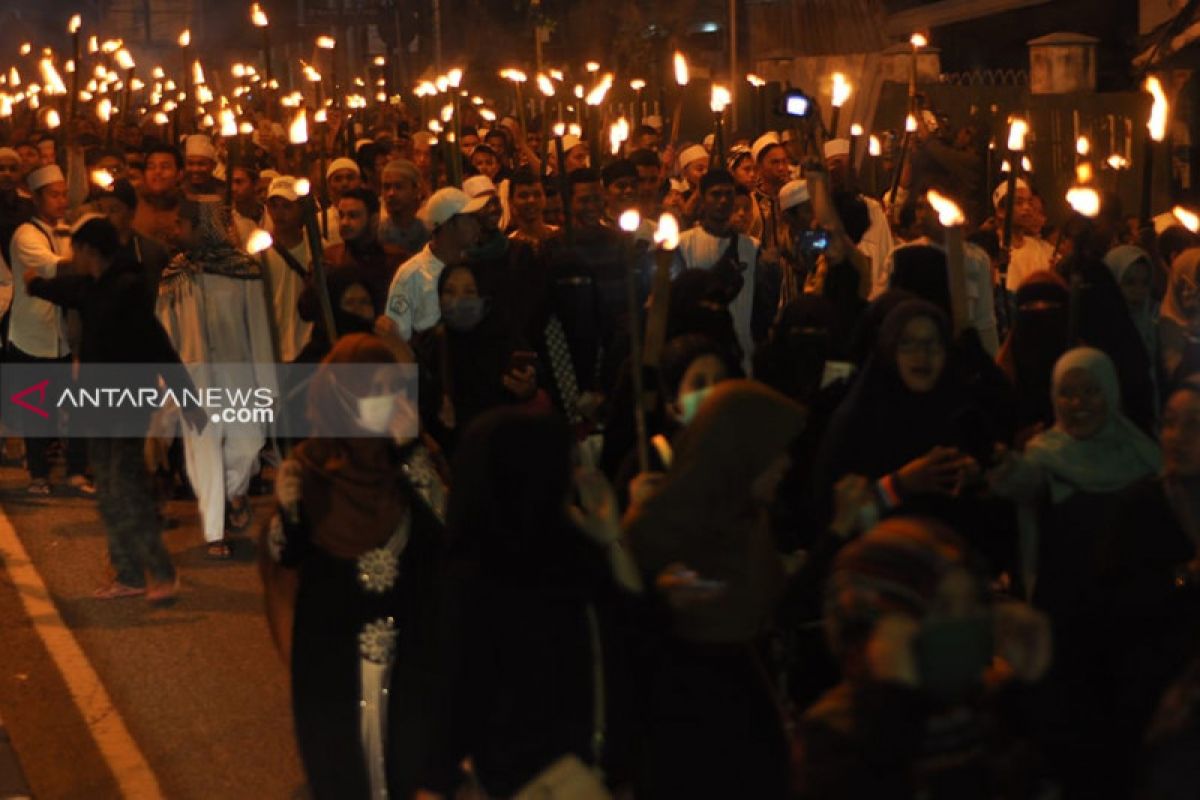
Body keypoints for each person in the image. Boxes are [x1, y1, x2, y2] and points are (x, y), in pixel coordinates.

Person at [420, 409, 639, 797]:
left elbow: (454, 695)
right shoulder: (577, 556)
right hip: (590, 775)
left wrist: (436, 780)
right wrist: (613, 539)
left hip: (516, 780)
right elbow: (632, 641)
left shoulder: (473, 573)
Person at [268, 333, 444, 800]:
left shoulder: (413, 456)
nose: (385, 400)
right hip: (331, 654)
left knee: (409, 766)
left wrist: (412, 456)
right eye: (371, 389)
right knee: (341, 770)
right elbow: (286, 560)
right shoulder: (310, 466)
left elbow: (451, 534)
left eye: (392, 387)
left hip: (410, 653)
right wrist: (288, 513)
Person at [624, 380, 804, 798]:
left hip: (749, 721)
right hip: (689, 739)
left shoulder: (748, 520)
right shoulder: (658, 528)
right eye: (771, 451)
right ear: (738, 451)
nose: (785, 463)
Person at [800, 517, 1052, 799]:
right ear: (883, 622)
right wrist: (893, 698)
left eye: (971, 604)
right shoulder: (835, 733)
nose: (965, 623)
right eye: (943, 608)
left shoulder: (990, 709)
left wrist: (1032, 685)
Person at [25, 216, 202, 601]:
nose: (74, 259)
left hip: (127, 405)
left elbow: (157, 345)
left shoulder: (125, 290)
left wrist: (188, 401)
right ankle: (128, 574)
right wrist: (36, 284)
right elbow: (67, 291)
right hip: (98, 407)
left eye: (77, 252)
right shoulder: (95, 286)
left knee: (126, 489)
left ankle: (160, 572)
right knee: (108, 491)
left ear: (91, 251)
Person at [988, 348, 1160, 616]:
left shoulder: (1139, 451)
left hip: (1139, 607)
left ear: (1111, 391)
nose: (1078, 403)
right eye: (1066, 394)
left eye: (1091, 391)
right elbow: (1025, 481)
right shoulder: (1045, 455)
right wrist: (1004, 467)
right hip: (1070, 611)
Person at [155, 198, 278, 558]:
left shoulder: (243, 271)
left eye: (182, 224)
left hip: (239, 375)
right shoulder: (175, 274)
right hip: (193, 378)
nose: (176, 231)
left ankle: (231, 493)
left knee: (248, 445)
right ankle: (214, 533)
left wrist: (267, 388)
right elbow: (165, 332)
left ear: (201, 227)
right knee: (203, 453)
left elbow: (258, 330)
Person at [7, 164, 93, 496]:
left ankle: (75, 471)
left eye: (63, 194)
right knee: (36, 409)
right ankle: (39, 474)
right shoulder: (26, 235)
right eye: (54, 195)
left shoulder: (67, 232)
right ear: (38, 198)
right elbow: (57, 269)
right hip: (33, 336)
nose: (62, 200)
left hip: (65, 335)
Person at [413, 264, 537, 453]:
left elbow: (534, 384)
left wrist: (527, 386)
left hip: (501, 454)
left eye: (469, 292)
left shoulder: (504, 340)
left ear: (483, 299)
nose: (458, 300)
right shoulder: (428, 345)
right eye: (449, 291)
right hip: (450, 456)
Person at [675, 169, 758, 372]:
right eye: (716, 194)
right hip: (699, 354)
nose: (723, 201)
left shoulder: (752, 247)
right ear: (702, 200)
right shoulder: (683, 244)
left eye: (728, 194)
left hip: (741, 349)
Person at [386, 187, 486, 341]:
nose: (476, 225)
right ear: (449, 224)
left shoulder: (472, 268)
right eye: (469, 218)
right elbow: (397, 336)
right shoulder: (411, 275)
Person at [91, 177, 171, 311]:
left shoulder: (150, 251)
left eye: (113, 210)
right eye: (100, 210)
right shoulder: (91, 250)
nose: (105, 216)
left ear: (131, 213)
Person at [259, 176, 314, 362]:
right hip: (270, 346)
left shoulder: (316, 250)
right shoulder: (259, 253)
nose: (279, 213)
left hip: (306, 346)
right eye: (274, 206)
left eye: (287, 206)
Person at [324, 187, 402, 312]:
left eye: (353, 216)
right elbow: (307, 311)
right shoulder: (330, 258)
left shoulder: (395, 260)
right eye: (341, 215)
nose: (344, 222)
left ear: (374, 220)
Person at [134, 144, 184, 245]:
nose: (157, 172)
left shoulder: (189, 206)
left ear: (179, 174)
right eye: (151, 167)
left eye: (165, 167)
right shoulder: (131, 203)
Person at [378, 159, 429, 254]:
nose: (391, 193)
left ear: (415, 190)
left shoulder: (427, 234)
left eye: (399, 187)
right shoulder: (377, 234)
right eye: (386, 187)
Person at [320, 157, 364, 245]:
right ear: (328, 186)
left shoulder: (373, 215)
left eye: (350, 178)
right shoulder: (319, 221)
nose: (344, 183)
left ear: (360, 182)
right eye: (338, 179)